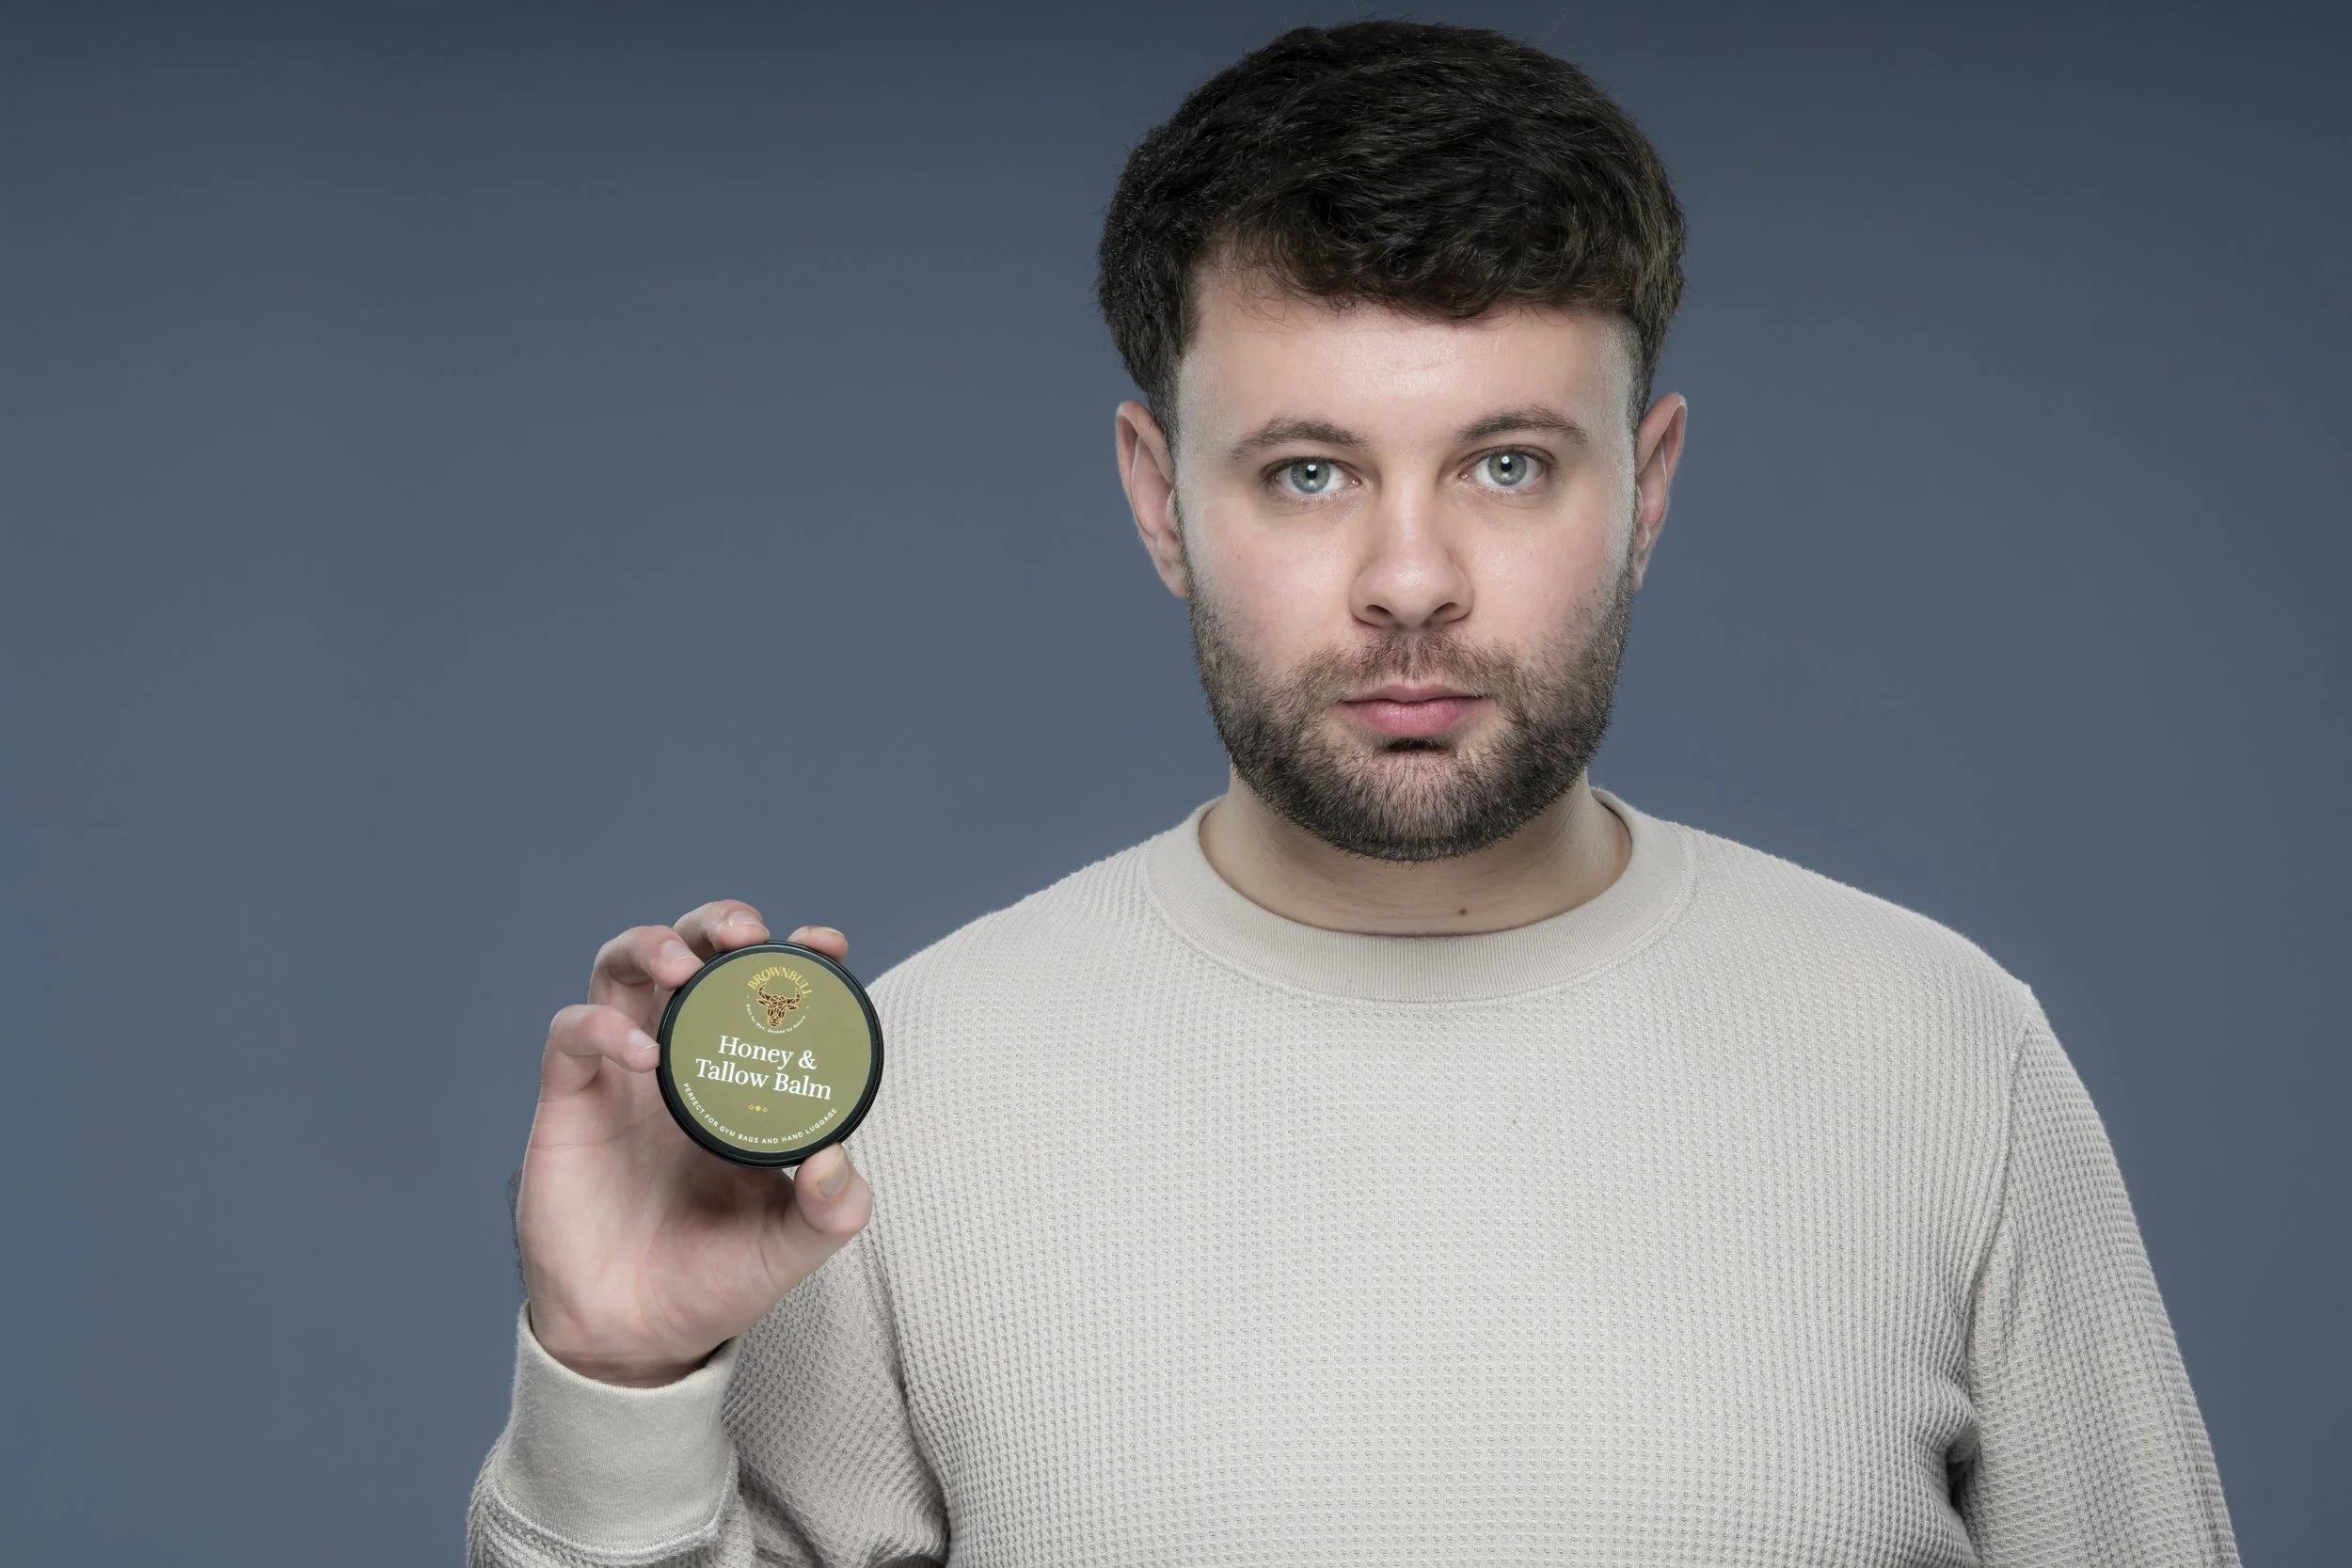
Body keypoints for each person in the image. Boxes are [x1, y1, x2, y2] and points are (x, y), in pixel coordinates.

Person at [467, 21, 2236, 1567]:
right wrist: (614, 1381)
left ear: (1648, 488)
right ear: (1159, 497)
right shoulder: (891, 1121)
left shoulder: (1949, 1062)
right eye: (1310, 472)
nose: (1410, 581)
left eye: (1508, 464)